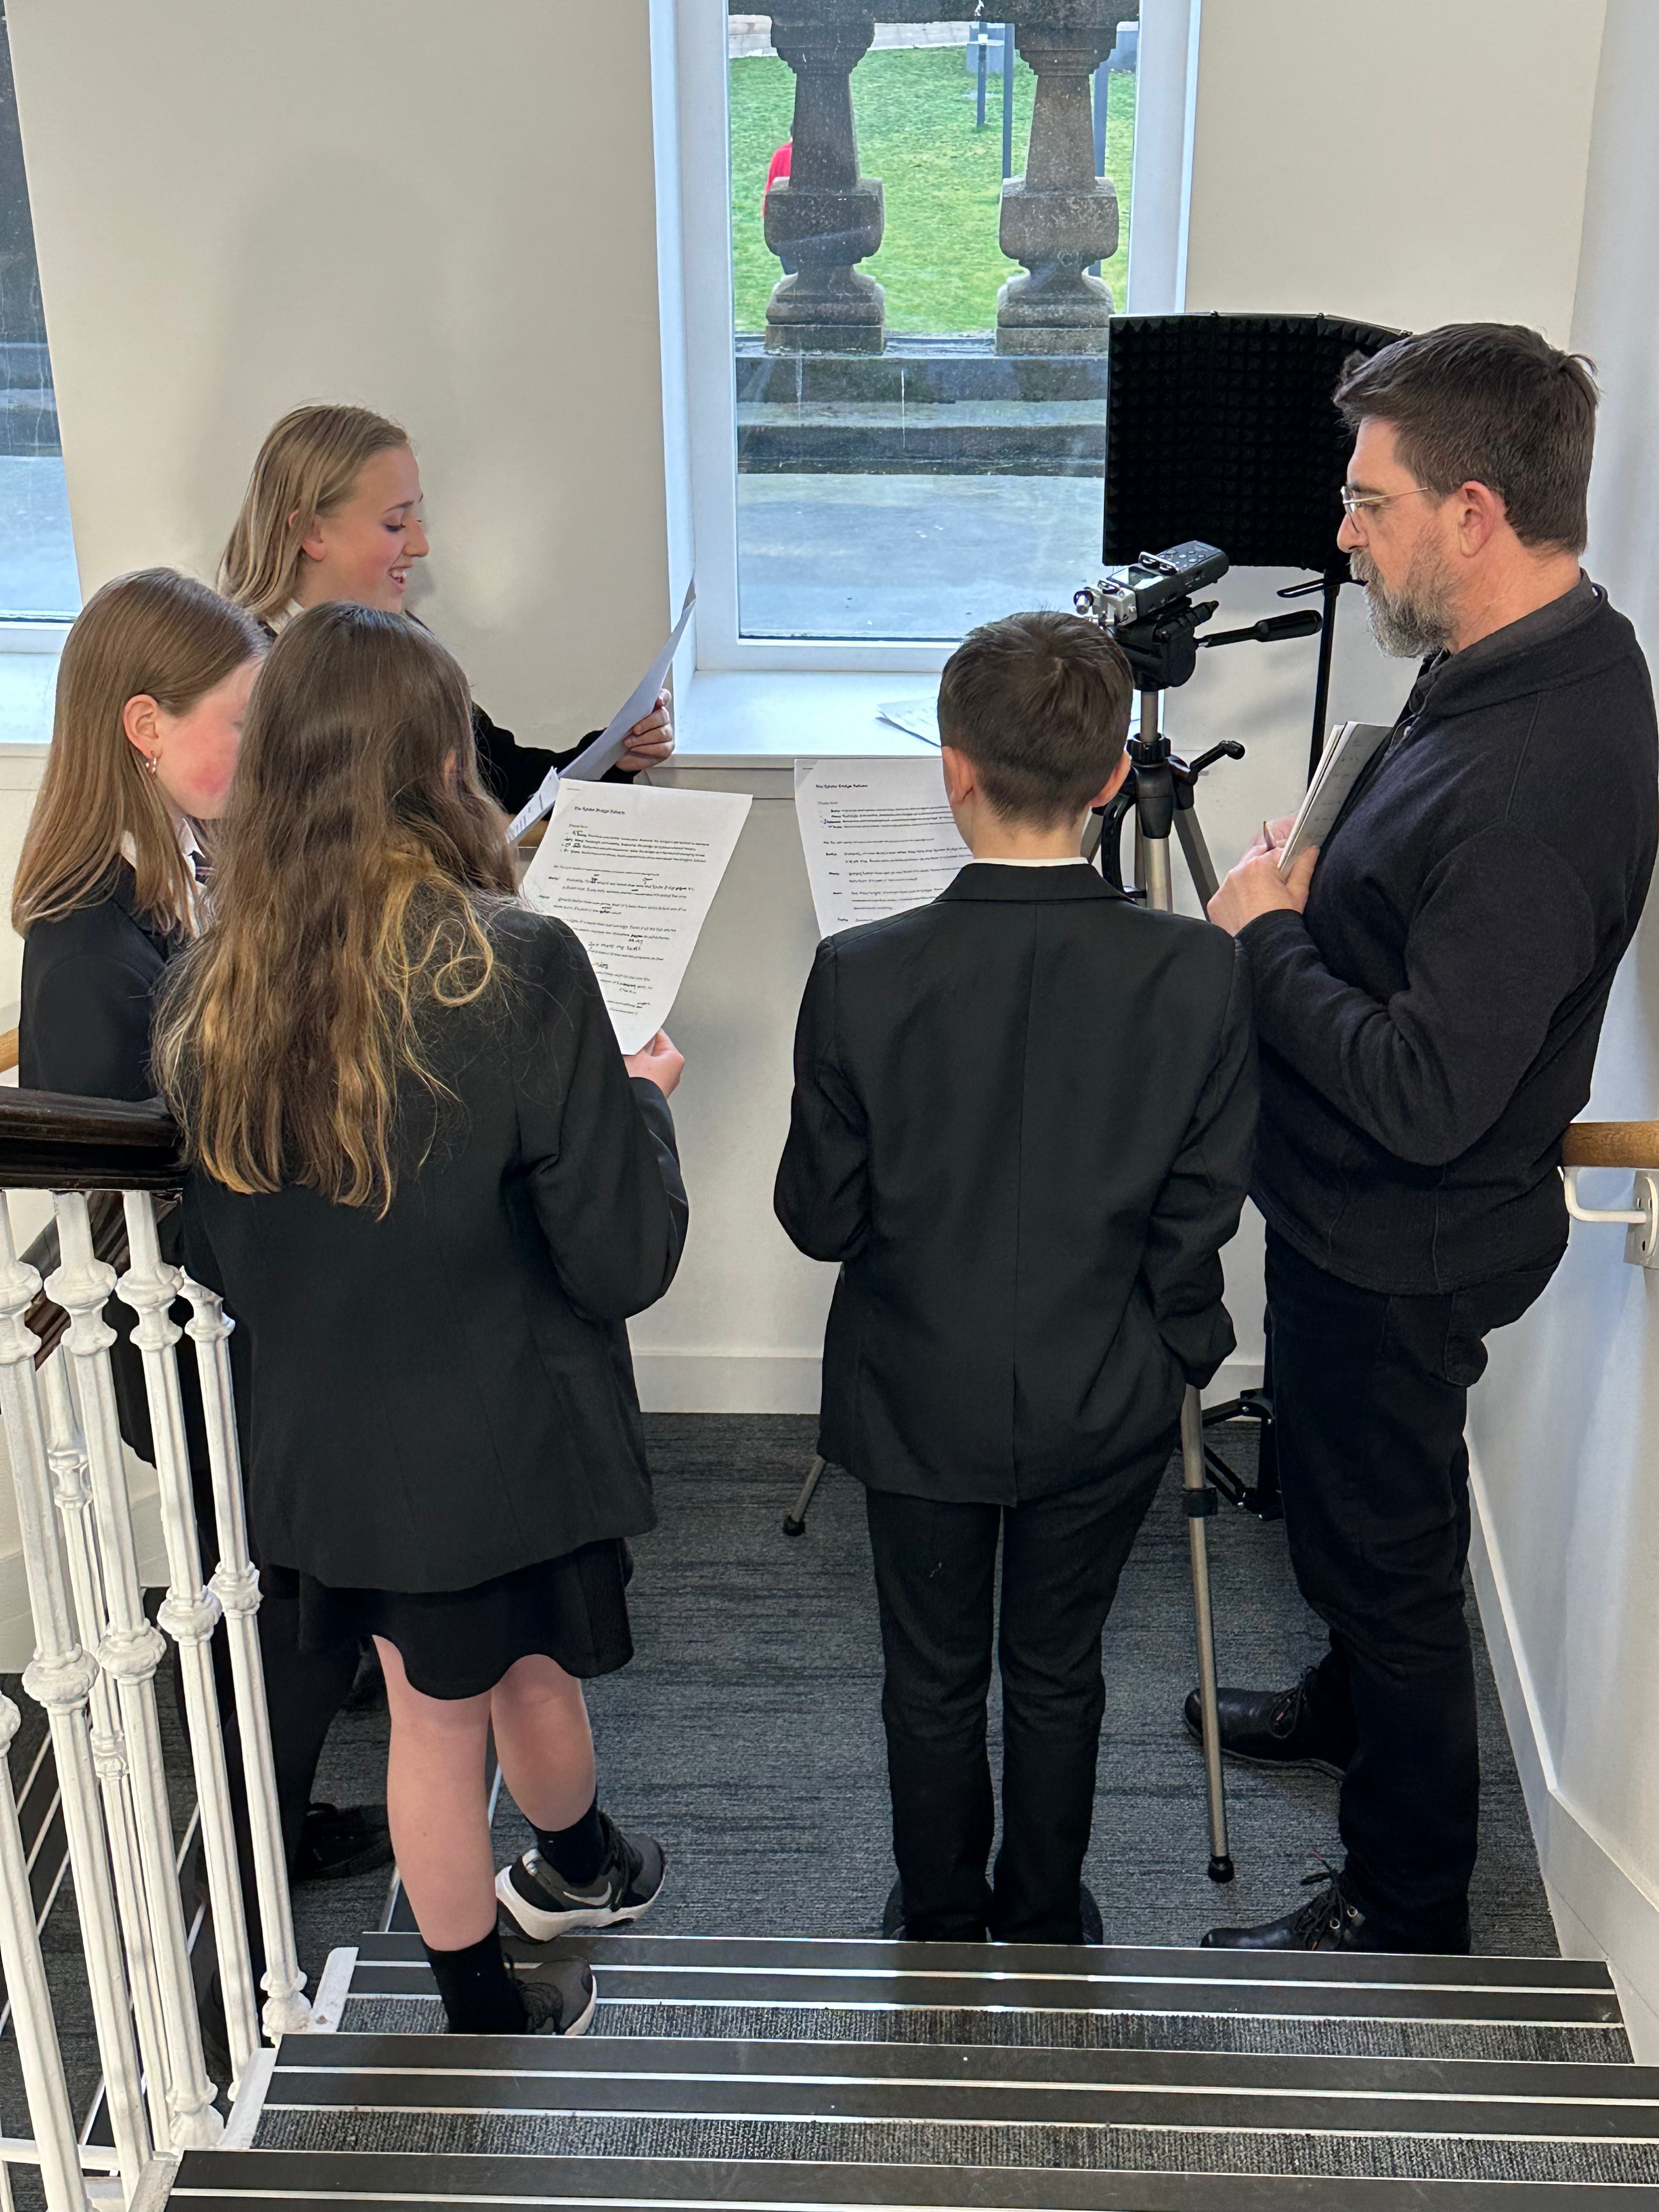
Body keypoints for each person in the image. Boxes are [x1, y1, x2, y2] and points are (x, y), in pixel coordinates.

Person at [153, 604, 687, 2034]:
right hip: (505, 1428)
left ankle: (553, 1906)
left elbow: (218, 1251)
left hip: (328, 1444)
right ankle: (518, 1955)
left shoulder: (210, 988)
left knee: (442, 1702)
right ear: (439, 765)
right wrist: (641, 1103)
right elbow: (623, 1256)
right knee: (497, 1694)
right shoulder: (519, 963)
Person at [1201, 324, 1658, 1954]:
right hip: (1346, 1216)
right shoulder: (1501, 662)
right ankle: (1341, 1705)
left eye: (1365, 500)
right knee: (1329, 1493)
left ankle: (1407, 1896)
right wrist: (1322, 877)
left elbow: (1423, 1089)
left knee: (1389, 1548)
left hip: (1411, 1230)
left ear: (1470, 511)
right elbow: (1421, 915)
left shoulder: (1546, 769)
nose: (1344, 531)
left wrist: (1263, 934)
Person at [775, 613, 1258, 1945]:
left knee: (927, 1676)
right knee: (1058, 1668)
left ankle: (935, 1912)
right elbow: (1197, 1209)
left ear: (950, 770)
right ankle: (1044, 1912)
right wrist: (1179, 1351)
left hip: (912, 1390)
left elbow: (818, 1220)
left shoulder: (858, 975)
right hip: (1106, 1391)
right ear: (1113, 780)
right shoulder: (1200, 968)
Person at [11, 566, 388, 1890]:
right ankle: (246, 1841)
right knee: (291, 1580)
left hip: (250, 1292)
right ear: (143, 725)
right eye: (241, 720)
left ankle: (266, 1814)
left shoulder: (184, 867)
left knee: (299, 1579)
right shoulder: (82, 944)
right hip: (182, 1321)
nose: (263, 753)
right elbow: (132, 1175)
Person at [218, 403, 675, 813]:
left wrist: (612, 754)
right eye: (395, 523)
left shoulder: (403, 646)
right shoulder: (247, 678)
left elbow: (498, 774)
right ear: (313, 534)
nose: (420, 544)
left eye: (417, 518)